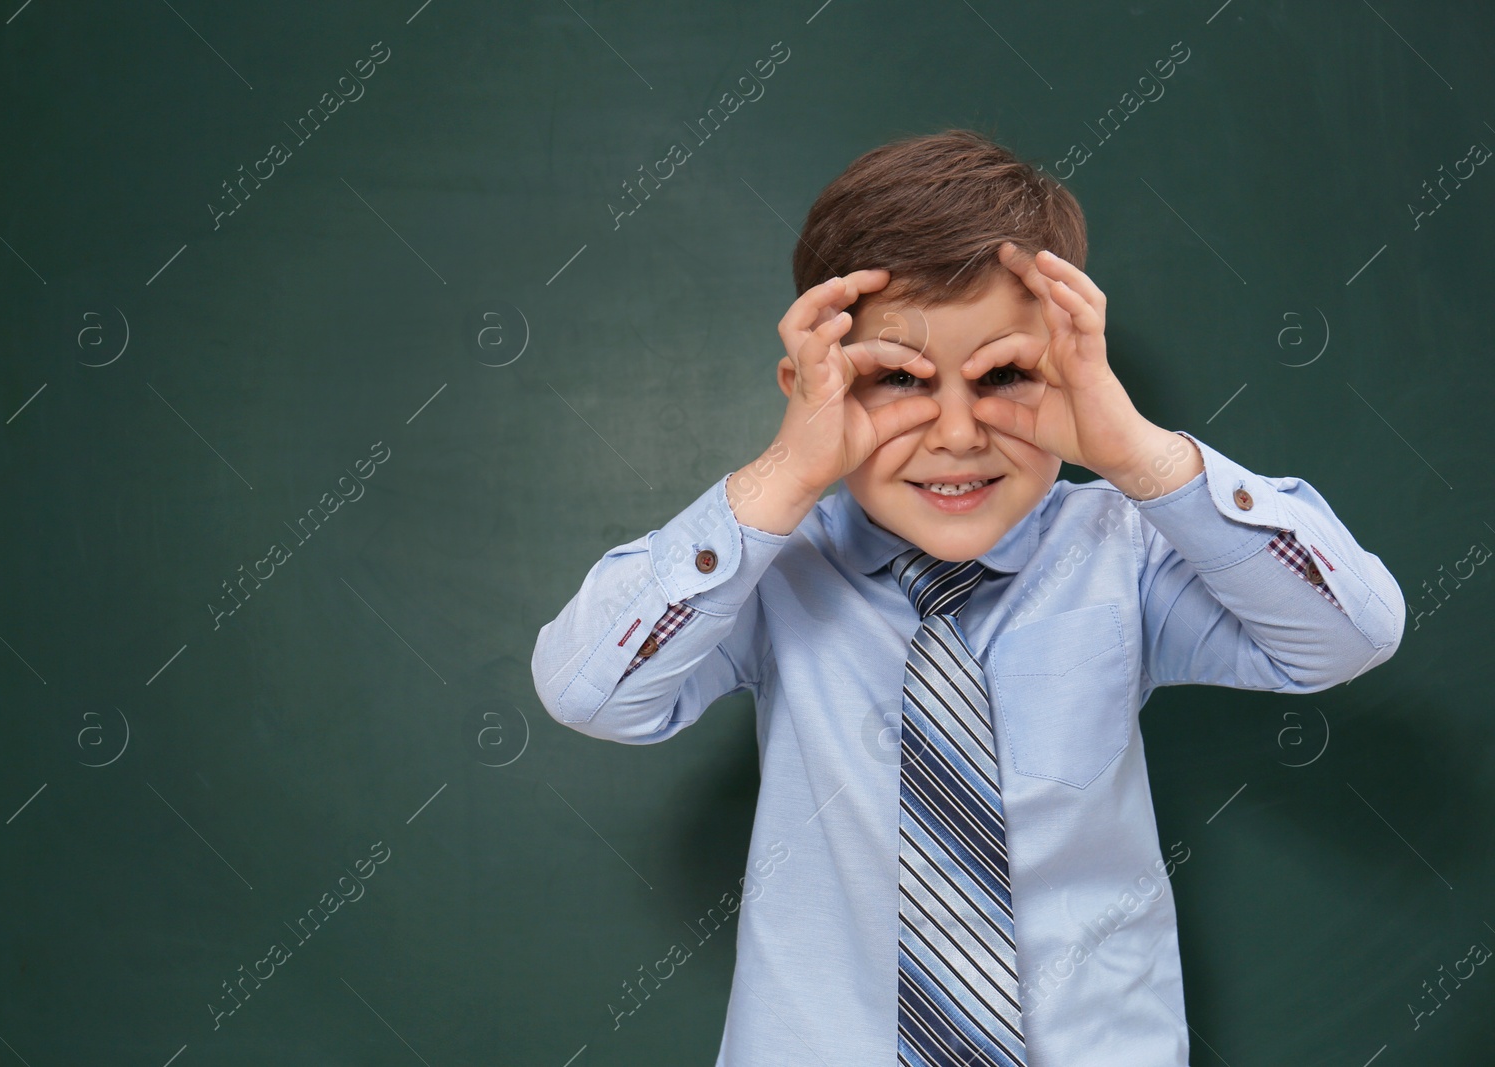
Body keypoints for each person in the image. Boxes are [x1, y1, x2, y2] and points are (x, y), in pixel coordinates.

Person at [530, 128, 1405, 1065]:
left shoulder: (1124, 551)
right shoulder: (774, 571)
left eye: (1003, 375)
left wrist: (1139, 455)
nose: (956, 432)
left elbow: (1349, 633)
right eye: (897, 380)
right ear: (810, 387)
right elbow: (591, 692)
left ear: (1067, 370)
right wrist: (785, 471)